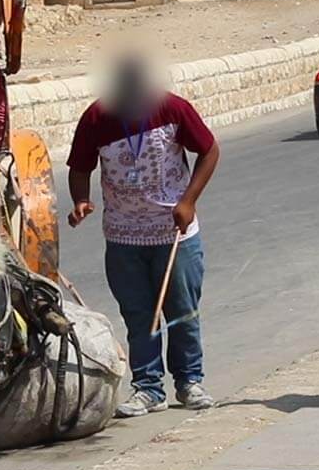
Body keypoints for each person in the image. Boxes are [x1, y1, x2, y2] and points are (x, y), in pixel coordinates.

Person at [67, 53, 221, 417]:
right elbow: (80, 165)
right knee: (139, 316)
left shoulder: (172, 109)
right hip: (123, 237)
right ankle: (149, 389)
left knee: (182, 311)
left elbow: (210, 150)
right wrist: (81, 200)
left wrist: (189, 200)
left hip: (175, 234)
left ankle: (189, 382)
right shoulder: (96, 118)